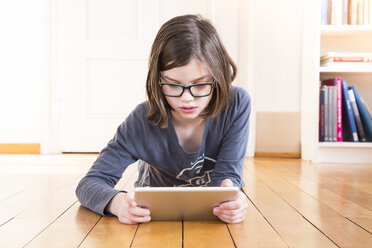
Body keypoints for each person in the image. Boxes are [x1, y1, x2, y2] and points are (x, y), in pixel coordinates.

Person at [76, 14, 251, 224]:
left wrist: (233, 201)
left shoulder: (236, 104)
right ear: (157, 79)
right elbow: (89, 183)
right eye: (174, 85)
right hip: (152, 218)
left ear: (218, 77)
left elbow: (227, 180)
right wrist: (119, 203)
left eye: (201, 85)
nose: (187, 99)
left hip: (209, 219)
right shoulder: (142, 120)